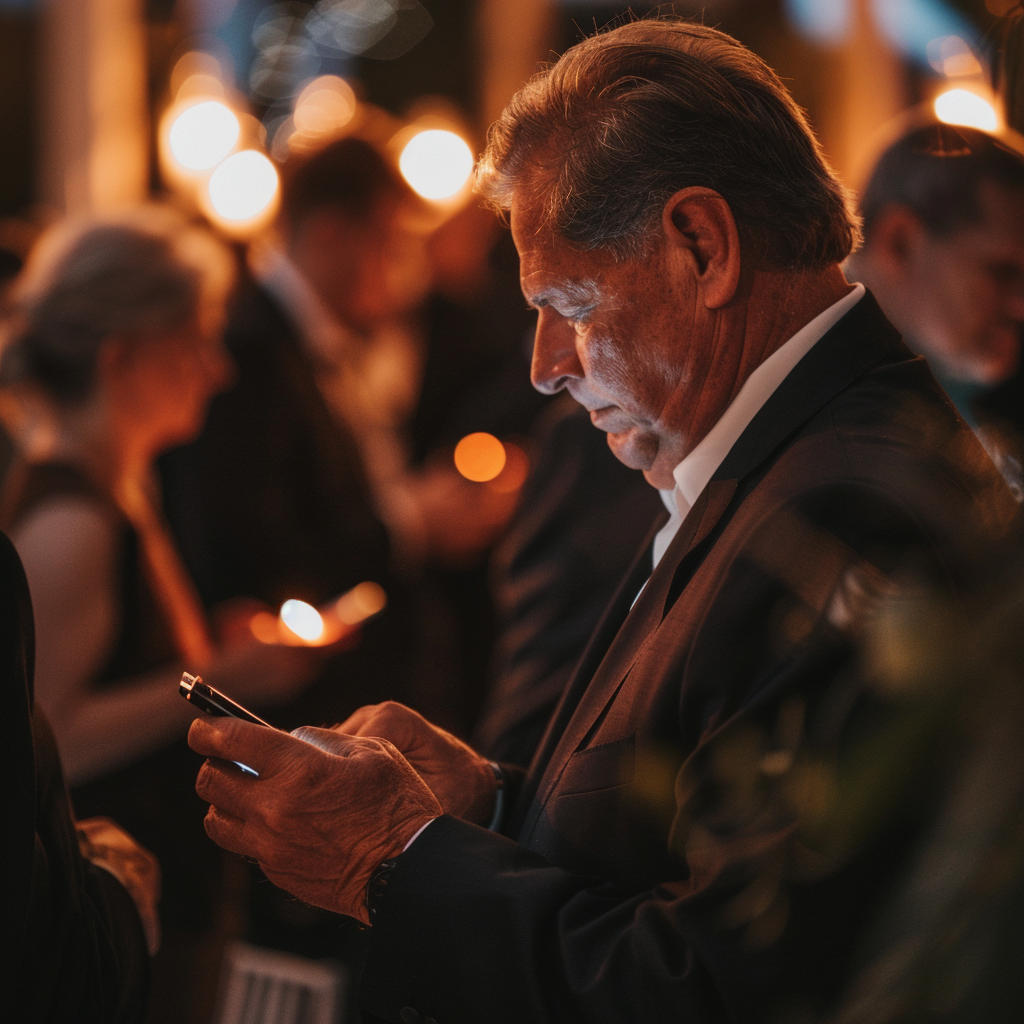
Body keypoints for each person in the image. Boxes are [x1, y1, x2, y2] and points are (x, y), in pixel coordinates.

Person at [189, 18, 1017, 1022]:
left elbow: (722, 989)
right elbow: (670, 843)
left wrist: (396, 857)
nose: (546, 366)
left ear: (699, 247)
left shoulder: (845, 508)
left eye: (570, 305)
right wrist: (487, 804)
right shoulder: (769, 462)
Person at [0, 209, 319, 1024]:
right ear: (124, 356)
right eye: (195, 341)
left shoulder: (120, 493)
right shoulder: (71, 523)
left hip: (161, 900)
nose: (216, 370)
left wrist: (215, 652)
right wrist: (226, 676)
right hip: (122, 917)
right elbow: (53, 736)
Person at [846, 122, 1024, 493]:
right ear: (901, 241)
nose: (1019, 305)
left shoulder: (942, 398)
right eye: (1004, 272)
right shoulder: (837, 424)